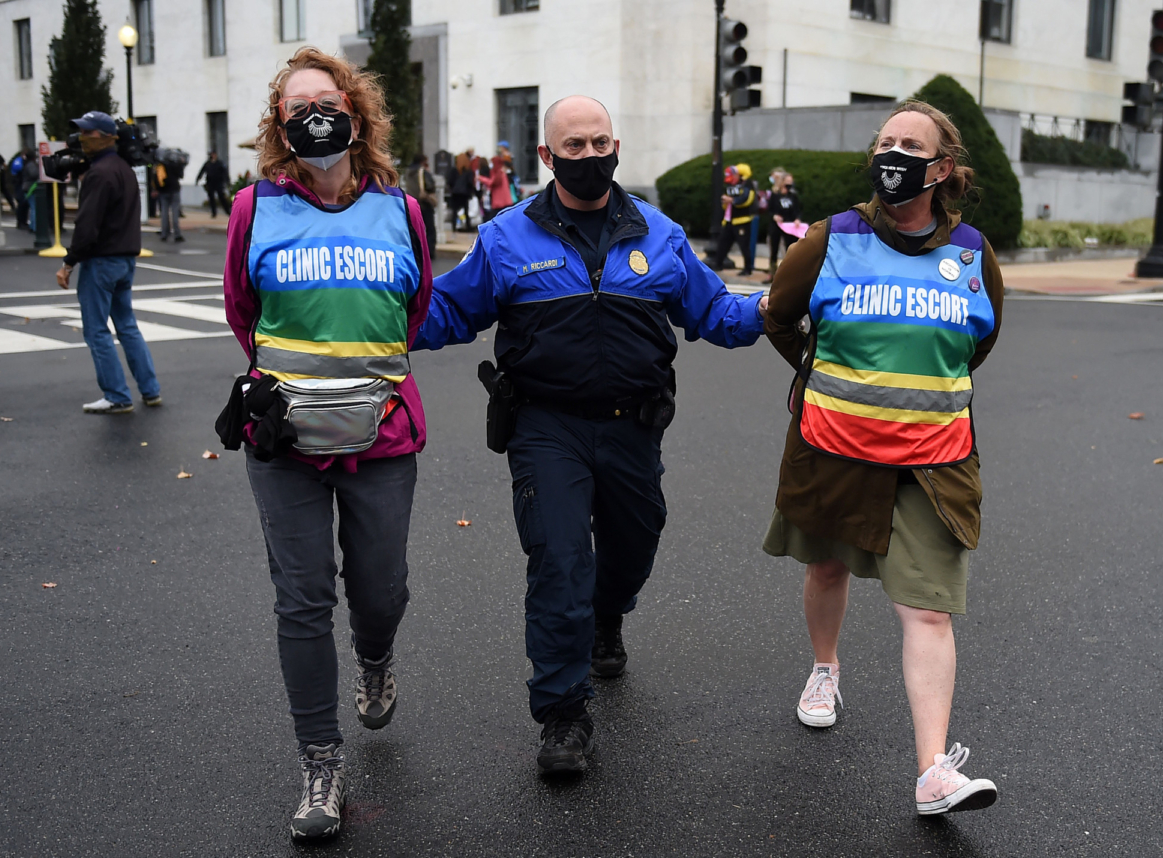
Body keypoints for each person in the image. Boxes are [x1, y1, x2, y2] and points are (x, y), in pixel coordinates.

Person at [414, 95, 767, 777]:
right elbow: (449, 310)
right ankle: (563, 714)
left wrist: (779, 306)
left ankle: (608, 617)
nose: (588, 156)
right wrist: (368, 325)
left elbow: (717, 311)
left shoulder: (658, 234)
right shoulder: (506, 236)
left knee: (632, 548)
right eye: (572, 147)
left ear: (616, 147)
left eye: (599, 142)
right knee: (560, 558)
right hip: (546, 428)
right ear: (547, 157)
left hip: (633, 426)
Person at [761, 99, 1004, 816]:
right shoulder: (830, 237)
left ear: (943, 168)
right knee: (829, 565)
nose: (893, 154)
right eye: (886, 141)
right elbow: (781, 314)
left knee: (928, 611)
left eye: (911, 144)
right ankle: (824, 669)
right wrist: (822, 381)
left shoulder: (971, 256)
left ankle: (934, 770)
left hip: (933, 463)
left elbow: (977, 343)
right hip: (834, 449)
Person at [220, 47, 432, 841]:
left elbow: (411, 312)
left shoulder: (403, 211)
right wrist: (300, 389)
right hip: (284, 441)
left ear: (353, 109)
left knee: (379, 589)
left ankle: (374, 656)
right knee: (302, 599)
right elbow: (245, 314)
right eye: (295, 104)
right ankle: (320, 761)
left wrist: (360, 385)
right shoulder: (254, 209)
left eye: (325, 99)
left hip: (381, 434)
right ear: (280, 125)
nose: (313, 113)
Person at [54, 111, 161, 415]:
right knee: (126, 325)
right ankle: (150, 389)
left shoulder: (99, 174)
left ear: (105, 136)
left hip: (101, 261)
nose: (83, 138)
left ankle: (117, 395)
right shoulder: (124, 169)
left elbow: (87, 227)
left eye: (88, 133)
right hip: (126, 259)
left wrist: (69, 262)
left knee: (96, 330)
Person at [707, 163, 758, 275]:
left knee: (744, 245)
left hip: (742, 220)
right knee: (723, 243)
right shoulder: (730, 186)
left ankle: (747, 268)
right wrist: (725, 202)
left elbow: (747, 199)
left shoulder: (747, 185)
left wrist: (733, 201)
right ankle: (718, 264)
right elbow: (725, 203)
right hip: (729, 220)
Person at [766, 172, 802, 279]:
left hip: (789, 225)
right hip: (777, 225)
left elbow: (798, 210)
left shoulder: (793, 195)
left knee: (789, 249)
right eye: (787, 182)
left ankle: (788, 273)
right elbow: (769, 209)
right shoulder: (775, 195)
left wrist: (797, 219)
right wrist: (774, 216)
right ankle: (772, 272)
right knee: (774, 248)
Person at [404, 153, 438, 259]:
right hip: (424, 203)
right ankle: (429, 253)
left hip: (412, 204)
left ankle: (417, 252)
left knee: (415, 229)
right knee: (430, 229)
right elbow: (430, 185)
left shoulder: (408, 172)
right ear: (423, 161)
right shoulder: (422, 171)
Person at [195, 150, 231, 217]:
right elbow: (202, 171)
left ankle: (227, 211)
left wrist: (227, 181)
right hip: (210, 183)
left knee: (221, 197)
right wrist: (198, 179)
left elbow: (225, 173)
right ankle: (214, 212)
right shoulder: (208, 163)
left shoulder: (220, 163)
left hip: (219, 183)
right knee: (211, 198)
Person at [477, 153, 513, 220]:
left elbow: (492, 183)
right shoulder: (501, 173)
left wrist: (481, 178)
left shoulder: (498, 173)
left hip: (499, 203)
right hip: (504, 202)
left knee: (492, 219)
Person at [158, 152, 184, 242]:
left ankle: (164, 234)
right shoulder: (176, 165)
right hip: (174, 190)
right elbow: (181, 175)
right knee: (175, 213)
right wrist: (181, 164)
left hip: (164, 191)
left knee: (164, 213)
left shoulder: (161, 166)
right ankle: (177, 234)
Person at [447, 151, 474, 231]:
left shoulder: (453, 170)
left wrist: (452, 189)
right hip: (465, 193)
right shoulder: (468, 171)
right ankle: (468, 226)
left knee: (454, 211)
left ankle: (454, 227)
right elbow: (470, 182)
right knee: (466, 211)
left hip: (455, 193)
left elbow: (449, 181)